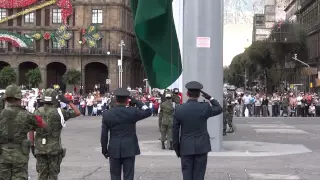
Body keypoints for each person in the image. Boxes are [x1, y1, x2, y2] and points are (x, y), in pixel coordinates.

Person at [172, 81, 223, 180]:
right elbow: (219, 108)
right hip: (201, 146)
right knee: (199, 175)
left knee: (187, 175)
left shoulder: (179, 109)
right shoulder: (204, 107)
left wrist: (177, 148)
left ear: (187, 94)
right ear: (199, 95)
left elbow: (174, 131)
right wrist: (210, 98)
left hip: (185, 147)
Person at [100, 88, 152, 180]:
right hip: (129, 148)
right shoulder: (132, 112)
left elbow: (104, 135)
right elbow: (148, 111)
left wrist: (104, 149)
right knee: (129, 175)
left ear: (116, 99)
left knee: (115, 175)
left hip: (114, 148)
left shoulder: (107, 114)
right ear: (127, 100)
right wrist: (137, 101)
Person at [30, 88, 81, 180]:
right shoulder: (60, 112)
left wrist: (32, 146)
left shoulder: (36, 112)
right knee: (53, 175)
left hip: (40, 148)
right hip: (54, 149)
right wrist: (68, 102)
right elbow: (77, 112)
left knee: (42, 175)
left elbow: (31, 130)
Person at [0, 84, 47, 180]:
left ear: (6, 99)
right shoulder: (27, 115)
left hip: (2, 155)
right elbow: (44, 125)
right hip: (20, 155)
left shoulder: (1, 114)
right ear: (19, 98)